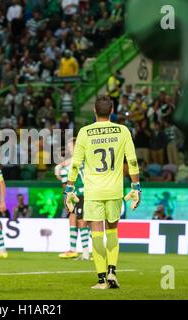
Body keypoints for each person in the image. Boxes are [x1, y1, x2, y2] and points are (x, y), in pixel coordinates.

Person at [65, 96, 141, 289]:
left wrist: (69, 189)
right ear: (112, 110)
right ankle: (112, 272)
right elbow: (132, 161)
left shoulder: (84, 132)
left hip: (93, 192)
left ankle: (101, 280)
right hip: (115, 190)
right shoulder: (123, 131)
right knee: (113, 232)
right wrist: (136, 187)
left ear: (94, 111)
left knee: (97, 234)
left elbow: (75, 164)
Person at [57, 138, 90, 260]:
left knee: (82, 221)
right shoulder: (85, 161)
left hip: (81, 195)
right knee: (75, 217)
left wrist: (66, 200)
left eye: (71, 146)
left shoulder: (70, 166)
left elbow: (65, 186)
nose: (70, 149)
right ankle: (74, 249)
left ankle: (85, 252)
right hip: (83, 194)